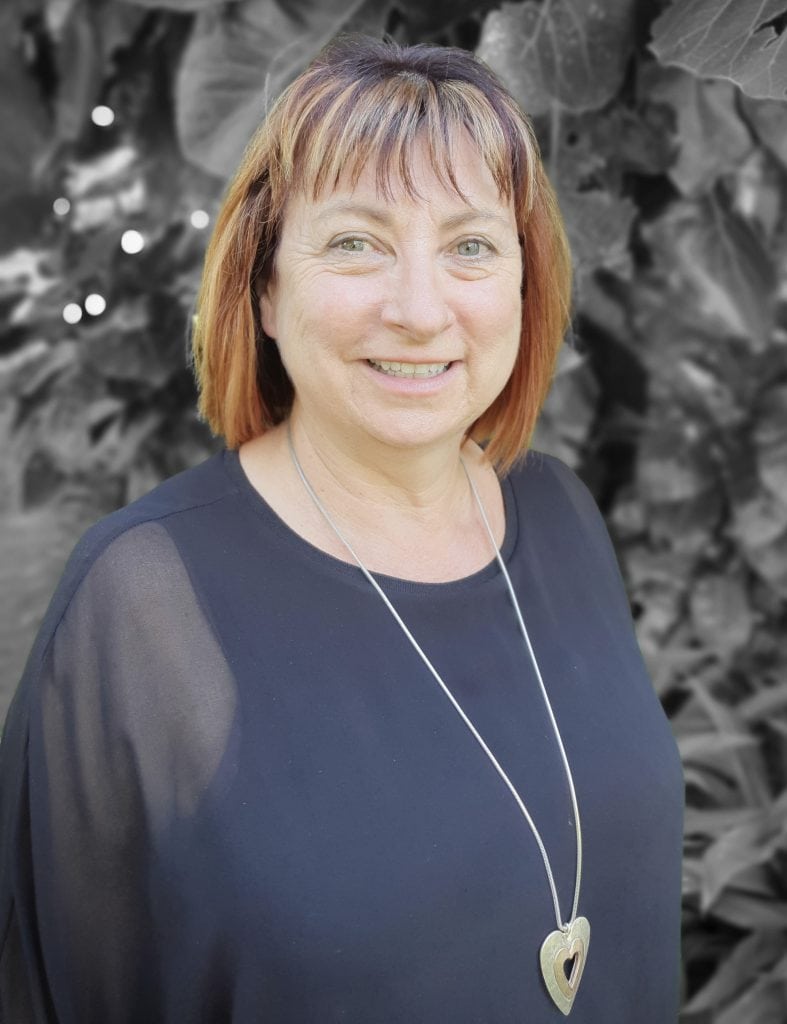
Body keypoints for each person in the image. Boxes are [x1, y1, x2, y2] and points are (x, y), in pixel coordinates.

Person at [0, 33, 685, 1023]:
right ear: (266, 288)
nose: (417, 309)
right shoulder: (146, 602)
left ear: (523, 283)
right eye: (356, 242)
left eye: (469, 246)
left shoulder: (562, 513)